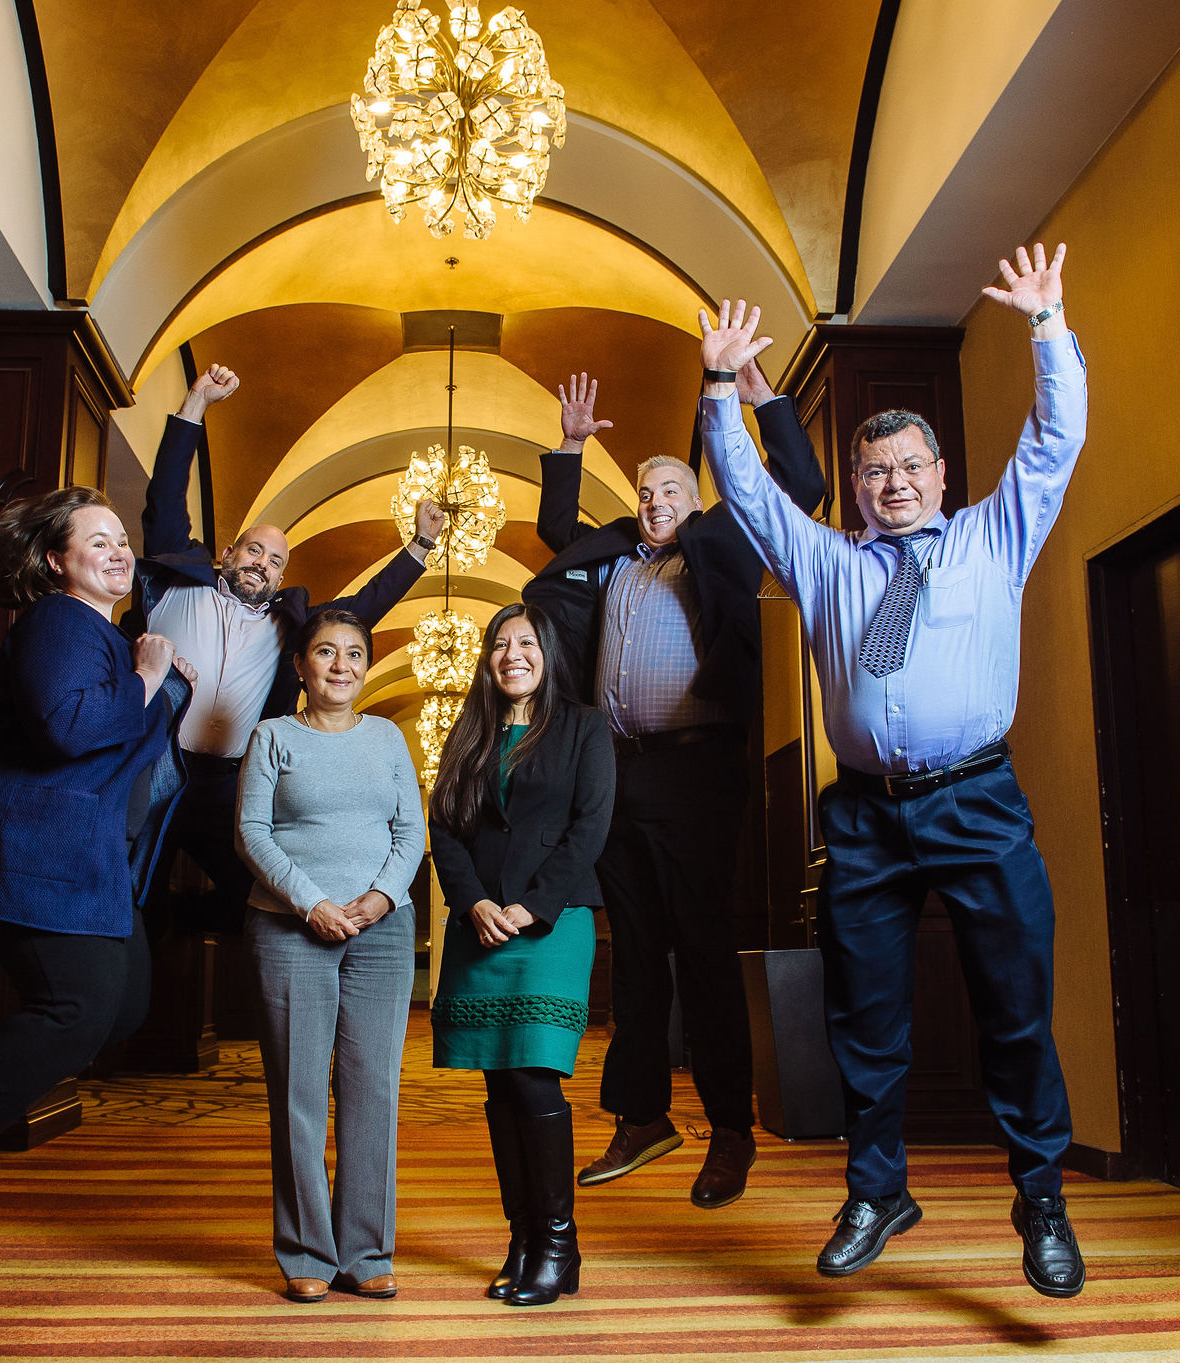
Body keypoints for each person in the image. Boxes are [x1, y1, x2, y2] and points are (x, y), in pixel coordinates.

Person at [695, 243, 1089, 1298]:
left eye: (911, 467)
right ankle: (876, 1190)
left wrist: (1046, 327)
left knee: (1015, 1010)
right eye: (874, 472)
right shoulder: (824, 559)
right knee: (864, 1021)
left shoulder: (995, 536)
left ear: (940, 475)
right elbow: (749, 494)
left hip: (977, 801)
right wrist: (720, 389)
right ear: (859, 486)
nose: (894, 483)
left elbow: (1054, 440)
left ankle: (1041, 1197)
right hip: (865, 817)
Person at [520, 362, 825, 1209]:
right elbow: (557, 531)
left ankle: (730, 1127)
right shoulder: (615, 559)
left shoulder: (720, 541)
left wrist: (762, 398)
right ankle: (642, 1115)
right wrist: (570, 446)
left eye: (670, 490)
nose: (655, 501)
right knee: (635, 947)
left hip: (697, 768)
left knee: (702, 946)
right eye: (646, 491)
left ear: (696, 502)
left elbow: (801, 485)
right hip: (617, 772)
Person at [0, 486, 196, 1264]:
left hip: (89, 856)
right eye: (98, 540)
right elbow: (71, 727)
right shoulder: (58, 620)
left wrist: (161, 679)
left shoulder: (108, 638)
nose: (119, 550)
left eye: (122, 540)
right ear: (57, 560)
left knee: (123, 1007)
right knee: (77, 1008)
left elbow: (129, 750)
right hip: (29, 840)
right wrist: (149, 676)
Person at [128, 365, 446, 934]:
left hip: (227, 782)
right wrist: (196, 402)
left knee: (254, 901)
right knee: (129, 889)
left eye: (276, 561)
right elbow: (166, 494)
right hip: (154, 761)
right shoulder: (179, 577)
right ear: (229, 552)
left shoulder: (288, 623)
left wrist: (421, 544)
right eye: (254, 551)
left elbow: (364, 607)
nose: (262, 564)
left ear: (281, 577)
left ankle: (183, 933)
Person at [234, 610, 424, 1303]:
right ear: (300, 665)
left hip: (383, 930)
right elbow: (252, 832)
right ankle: (307, 1250)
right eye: (325, 652)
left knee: (373, 1088)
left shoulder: (388, 737)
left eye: (353, 653)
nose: (341, 665)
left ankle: (366, 1251)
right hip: (289, 927)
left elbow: (411, 829)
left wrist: (379, 897)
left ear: (366, 666)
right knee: (299, 1090)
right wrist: (311, 901)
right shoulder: (272, 736)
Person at [428, 604, 614, 1307]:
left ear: (547, 652)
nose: (513, 653)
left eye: (526, 641)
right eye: (500, 643)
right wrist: (472, 901)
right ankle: (524, 1237)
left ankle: (559, 1244)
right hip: (481, 926)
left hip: (551, 922)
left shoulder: (584, 727)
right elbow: (445, 826)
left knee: (535, 1079)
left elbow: (590, 826)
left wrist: (532, 904)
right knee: (499, 1087)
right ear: (487, 658)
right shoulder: (469, 730)